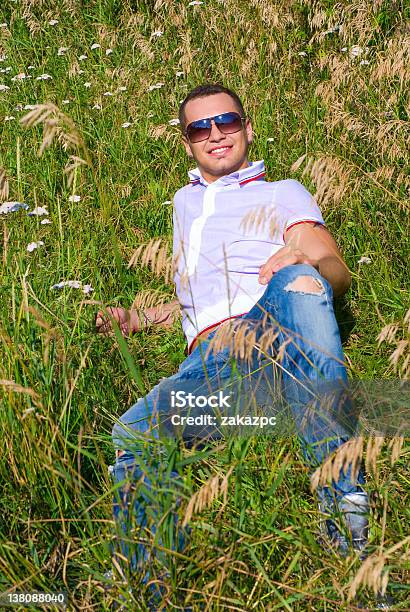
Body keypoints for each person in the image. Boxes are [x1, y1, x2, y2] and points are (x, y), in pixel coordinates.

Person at [96, 83, 368, 595]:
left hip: (276, 334)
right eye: (200, 127)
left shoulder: (281, 190)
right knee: (133, 432)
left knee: (300, 279)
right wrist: (141, 317)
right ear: (186, 142)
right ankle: (144, 582)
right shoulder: (183, 204)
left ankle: (346, 513)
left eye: (227, 121)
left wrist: (307, 264)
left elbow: (333, 266)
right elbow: (204, 301)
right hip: (210, 369)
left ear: (247, 127)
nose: (215, 134)